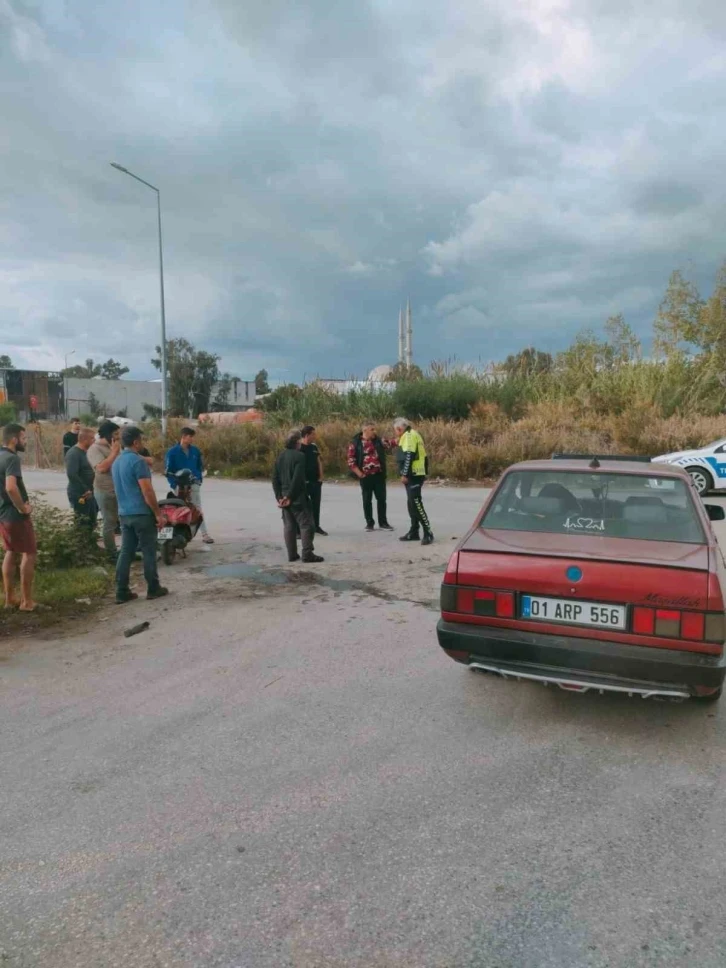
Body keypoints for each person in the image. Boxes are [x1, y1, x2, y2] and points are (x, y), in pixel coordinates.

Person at [111, 426, 168, 604]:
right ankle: (153, 587)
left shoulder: (117, 462)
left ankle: (121, 591)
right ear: (135, 442)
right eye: (141, 440)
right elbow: (147, 491)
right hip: (141, 513)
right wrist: (158, 514)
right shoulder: (138, 462)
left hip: (124, 514)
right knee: (149, 550)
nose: (142, 444)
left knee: (126, 551)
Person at [0, 423, 37, 611]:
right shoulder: (12, 459)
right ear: (14, 439)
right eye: (23, 438)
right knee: (29, 553)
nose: (25, 441)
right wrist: (23, 508)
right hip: (15, 515)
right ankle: (26, 601)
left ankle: (9, 599)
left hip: (3, 514)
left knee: (10, 551)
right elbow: (10, 487)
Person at [272, 430, 323, 564]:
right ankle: (307, 553)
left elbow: (275, 479)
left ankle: (292, 554)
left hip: (284, 497)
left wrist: (280, 497)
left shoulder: (280, 456)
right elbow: (297, 479)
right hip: (297, 497)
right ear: (297, 442)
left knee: (289, 526)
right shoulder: (300, 456)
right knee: (307, 525)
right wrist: (289, 496)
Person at [165, 427, 214, 544]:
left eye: (192, 437)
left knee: (197, 508)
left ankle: (205, 534)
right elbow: (168, 470)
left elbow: (199, 467)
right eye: (190, 436)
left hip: (194, 484)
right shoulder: (172, 452)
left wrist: (199, 479)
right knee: (176, 508)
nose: (192, 439)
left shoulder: (195, 451)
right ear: (183, 436)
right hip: (179, 485)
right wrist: (173, 484)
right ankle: (173, 535)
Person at [347, 423, 395, 532]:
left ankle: (383, 523)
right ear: (365, 430)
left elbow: (391, 443)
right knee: (367, 500)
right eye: (372, 429)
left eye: (374, 429)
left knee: (381, 499)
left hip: (379, 475)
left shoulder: (378, 441)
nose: (375, 431)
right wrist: (360, 474)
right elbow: (351, 461)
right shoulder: (355, 443)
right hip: (365, 477)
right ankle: (369, 523)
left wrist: (403, 437)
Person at [393, 416, 434, 545]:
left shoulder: (409, 436)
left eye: (395, 430)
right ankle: (414, 531)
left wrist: (405, 474)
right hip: (416, 473)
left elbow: (409, 455)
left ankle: (428, 532)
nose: (395, 433)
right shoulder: (411, 434)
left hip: (414, 474)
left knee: (416, 503)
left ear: (399, 429)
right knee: (411, 503)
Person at [87, 420, 121, 559]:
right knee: (110, 522)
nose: (118, 437)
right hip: (105, 491)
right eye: (115, 434)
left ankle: (125, 552)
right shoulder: (94, 449)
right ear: (107, 434)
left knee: (123, 521)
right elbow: (101, 468)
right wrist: (114, 453)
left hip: (119, 490)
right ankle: (111, 554)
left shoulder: (114, 446)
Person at [65, 427, 98, 533]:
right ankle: (81, 546)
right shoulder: (73, 453)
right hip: (80, 493)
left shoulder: (88, 452)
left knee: (92, 520)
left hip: (91, 492)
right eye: (92, 438)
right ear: (84, 440)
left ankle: (90, 544)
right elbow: (72, 474)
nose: (94, 441)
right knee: (82, 522)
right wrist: (85, 490)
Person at [300, 425, 327, 536]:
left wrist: (321, 477)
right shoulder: (299, 448)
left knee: (316, 505)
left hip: (315, 481)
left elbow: (318, 461)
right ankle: (300, 529)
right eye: (313, 434)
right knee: (302, 506)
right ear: (307, 435)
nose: (315, 436)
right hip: (303, 482)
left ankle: (316, 526)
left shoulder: (314, 447)